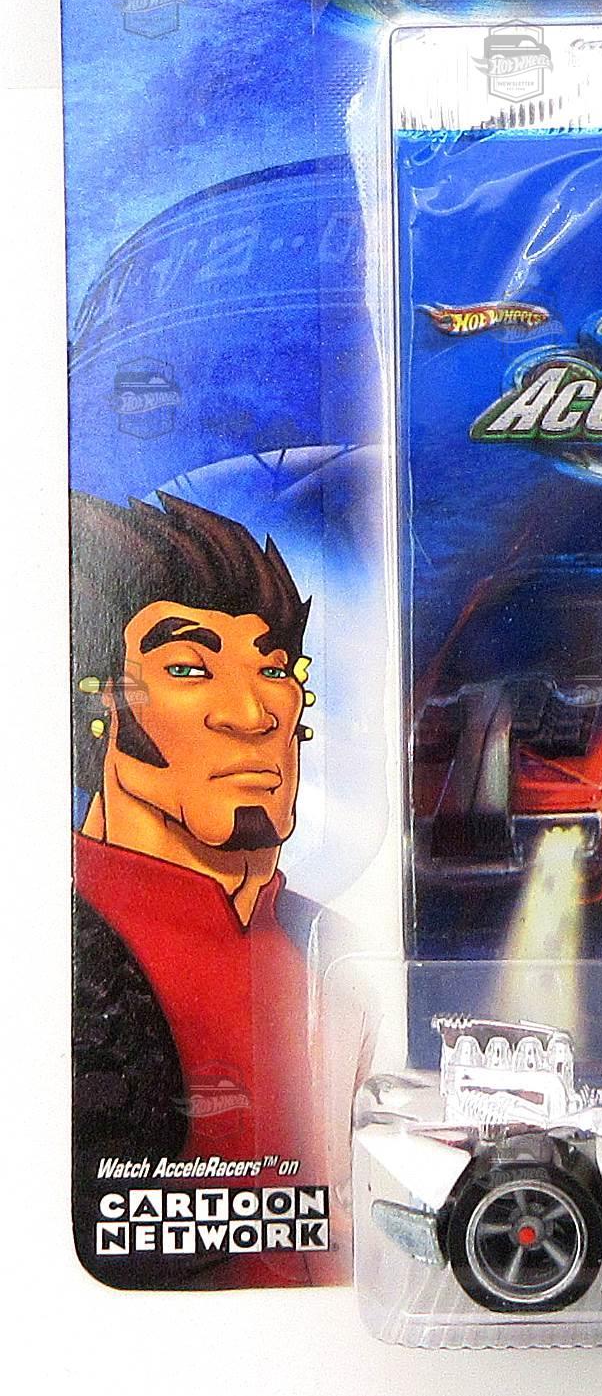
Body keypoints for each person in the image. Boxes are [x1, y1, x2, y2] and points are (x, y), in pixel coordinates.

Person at [70, 492, 345, 1286]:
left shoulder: (340, 954)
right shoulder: (60, 944)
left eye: (273, 668)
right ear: (99, 705)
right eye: (188, 667)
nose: (252, 711)